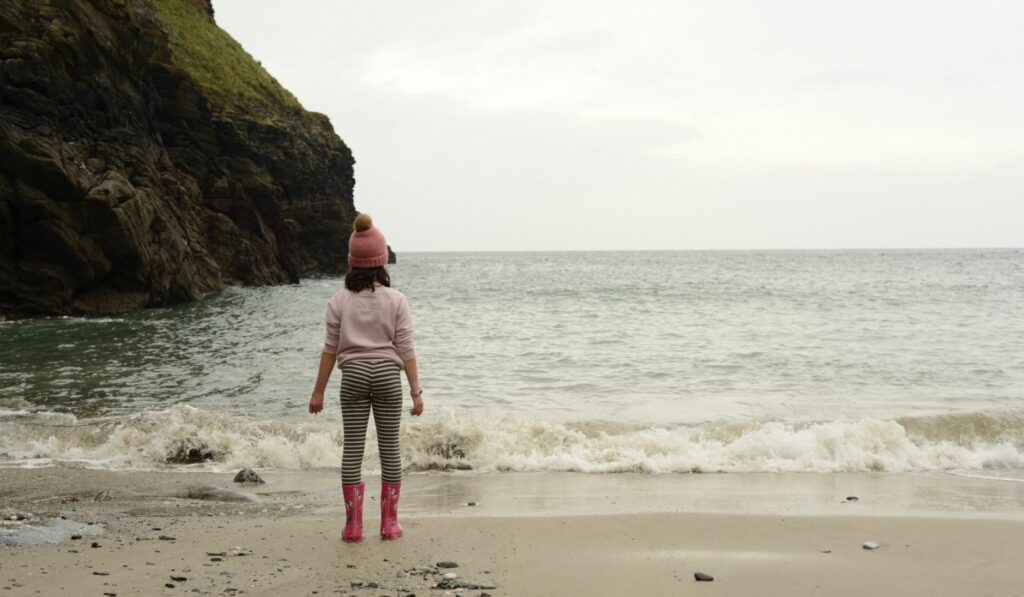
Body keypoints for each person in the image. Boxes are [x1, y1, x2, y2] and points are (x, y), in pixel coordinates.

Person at [308, 213, 423, 543]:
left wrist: (318, 393)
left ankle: (353, 526)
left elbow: (330, 349)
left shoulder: (339, 300)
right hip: (388, 377)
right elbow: (406, 348)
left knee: (353, 450)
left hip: (353, 376)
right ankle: (389, 524)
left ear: (352, 262)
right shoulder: (397, 299)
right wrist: (416, 391)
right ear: (382, 260)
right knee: (390, 450)